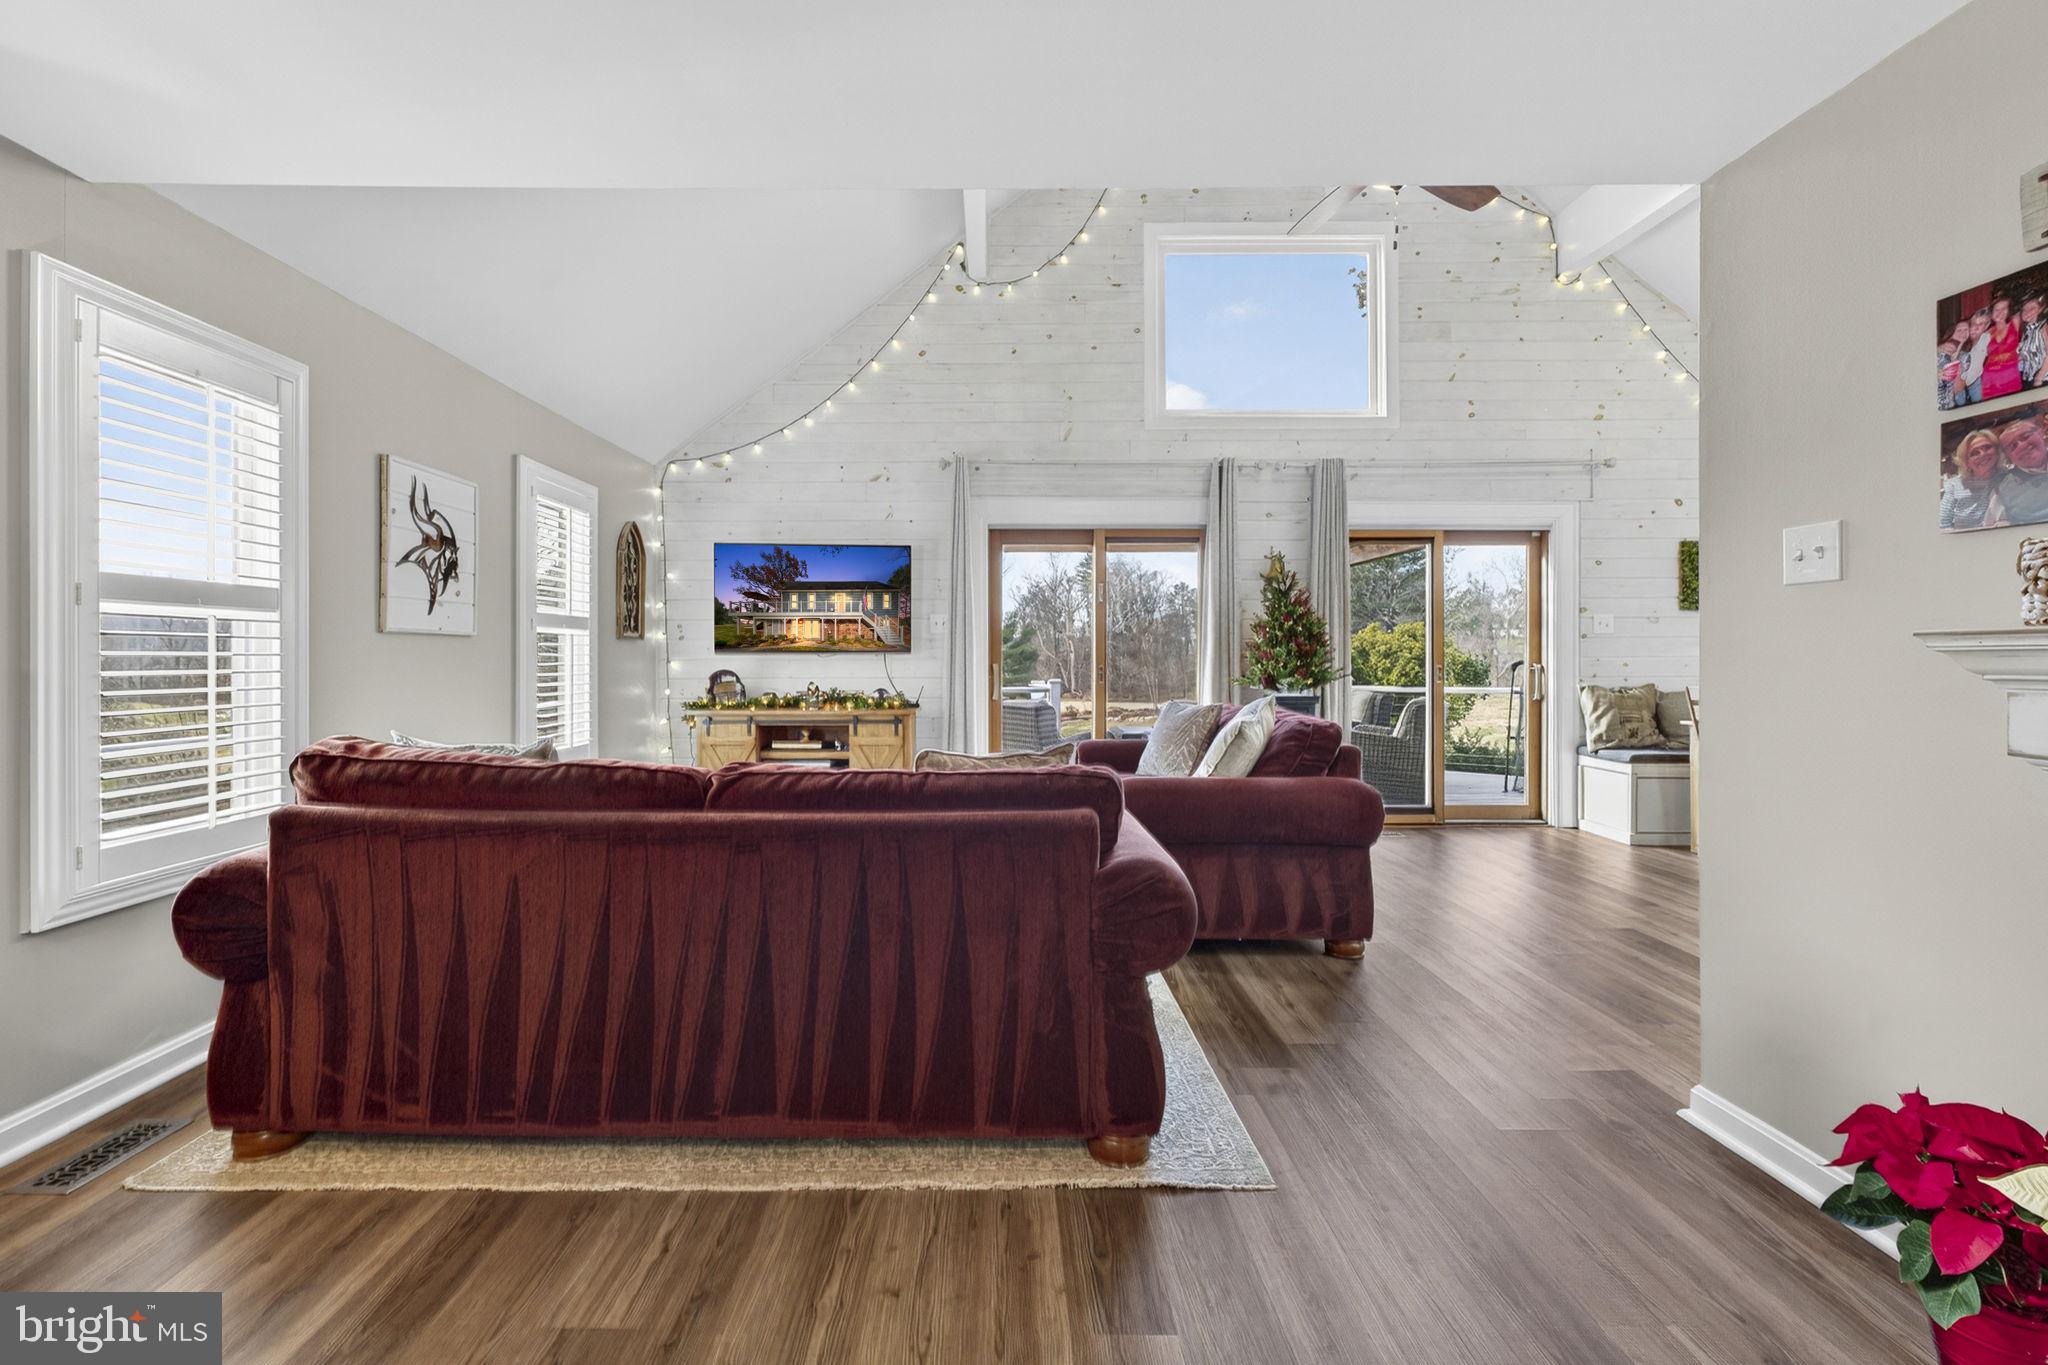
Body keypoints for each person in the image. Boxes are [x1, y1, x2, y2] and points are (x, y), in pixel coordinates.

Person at [1989, 416, 2048, 529]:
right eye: (2013, 446)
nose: (2022, 446)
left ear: (2040, 433)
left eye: (2026, 437)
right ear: (2008, 457)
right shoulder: (2001, 490)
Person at [1941, 430, 2002, 530]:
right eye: (1974, 453)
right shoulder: (1955, 485)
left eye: (1987, 447)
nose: (1983, 454)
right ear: (1966, 462)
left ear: (1997, 451)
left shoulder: (2009, 478)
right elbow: (1943, 523)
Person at [1982, 296, 2025, 400]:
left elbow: (2029, 312)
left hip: (2011, 376)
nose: (2000, 312)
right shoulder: (1987, 332)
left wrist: (2023, 354)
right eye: (1997, 309)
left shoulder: (2015, 322)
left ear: (2009, 311)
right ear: (1991, 313)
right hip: (1990, 378)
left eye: (2004, 308)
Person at [1959, 308, 1992, 404]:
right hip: (1957, 385)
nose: (1976, 327)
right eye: (1973, 323)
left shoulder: (1987, 338)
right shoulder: (1961, 336)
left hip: (1975, 382)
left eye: (1981, 324)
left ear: (1987, 326)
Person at [1939, 319, 1971, 408]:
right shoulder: (1938, 348)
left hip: (1947, 402)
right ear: (1952, 332)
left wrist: (1956, 368)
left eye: (1966, 330)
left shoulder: (1965, 356)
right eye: (1959, 330)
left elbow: (1958, 389)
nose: (1963, 333)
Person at [2023, 295, 2048, 389]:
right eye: (2024, 309)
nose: (2027, 311)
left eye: (2032, 308)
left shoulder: (2043, 326)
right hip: (2029, 378)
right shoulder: (2027, 331)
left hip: (2043, 379)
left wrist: (2039, 378)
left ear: (2040, 310)